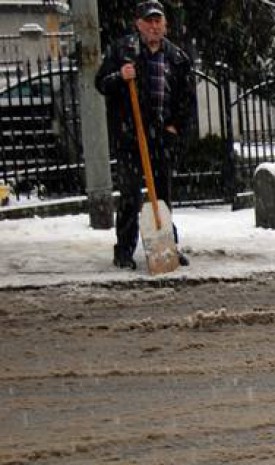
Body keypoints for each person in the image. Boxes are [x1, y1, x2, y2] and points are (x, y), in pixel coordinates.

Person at [95, 0, 194, 270]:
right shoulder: (123, 51)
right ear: (138, 24)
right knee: (130, 195)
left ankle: (167, 246)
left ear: (165, 24)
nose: (153, 25)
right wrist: (119, 75)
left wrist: (175, 126)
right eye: (148, 21)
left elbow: (186, 98)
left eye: (158, 20)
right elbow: (101, 83)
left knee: (162, 196)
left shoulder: (177, 57)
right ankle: (124, 251)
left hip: (162, 137)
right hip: (131, 137)